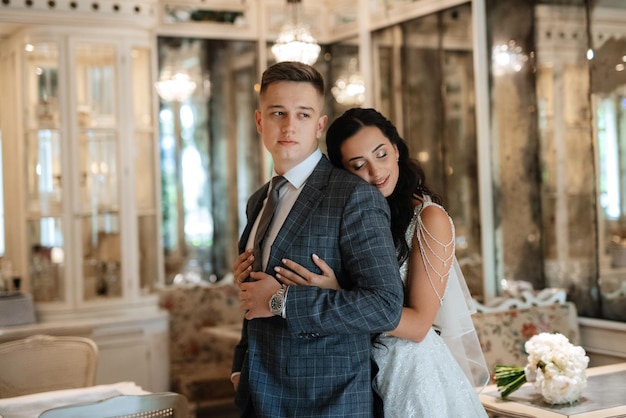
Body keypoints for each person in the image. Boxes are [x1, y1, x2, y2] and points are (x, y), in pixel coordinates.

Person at [239, 107, 490, 417]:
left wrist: (336, 291)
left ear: (396, 149)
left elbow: (418, 326)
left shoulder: (428, 218)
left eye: (381, 154)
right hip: (353, 371)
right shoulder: (350, 217)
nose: (375, 172)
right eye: (358, 165)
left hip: (407, 373)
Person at [231, 63, 404, 418]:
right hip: (258, 398)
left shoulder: (353, 197)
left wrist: (282, 301)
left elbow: (385, 305)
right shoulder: (258, 201)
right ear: (260, 121)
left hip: (328, 402)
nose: (289, 125)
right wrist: (239, 367)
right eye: (278, 113)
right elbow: (253, 296)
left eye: (303, 114)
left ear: (319, 125)